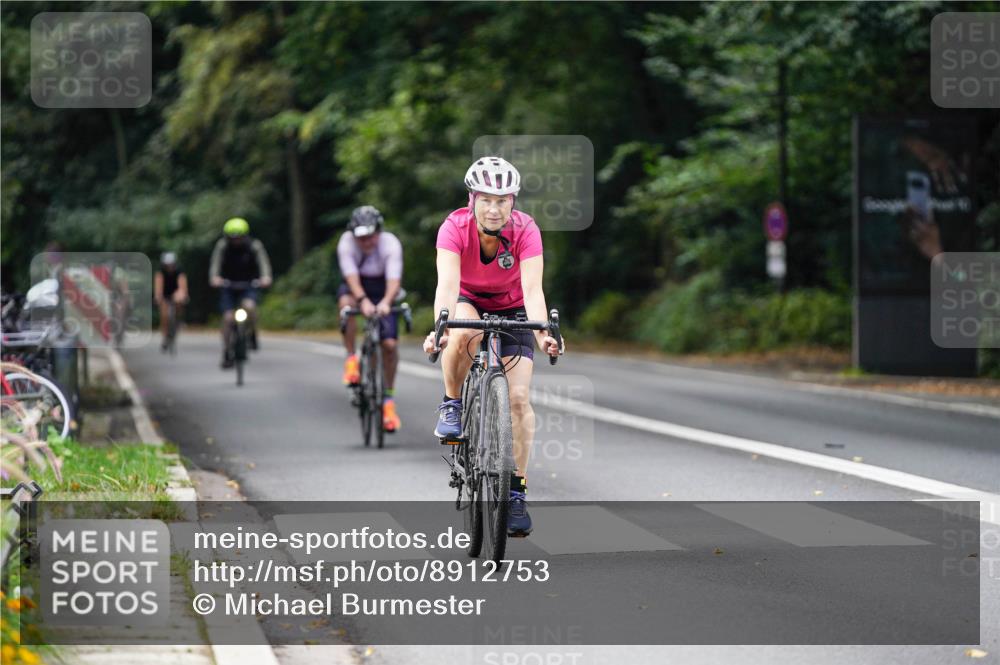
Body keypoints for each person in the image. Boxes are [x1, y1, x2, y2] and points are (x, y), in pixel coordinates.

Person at [422, 156, 563, 537]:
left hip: (514, 308)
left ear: (513, 201)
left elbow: (533, 290)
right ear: (472, 199)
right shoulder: (454, 228)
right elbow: (447, 286)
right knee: (464, 330)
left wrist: (543, 335)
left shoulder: (526, 229)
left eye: (502, 200)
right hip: (468, 300)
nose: (494, 208)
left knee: (518, 400)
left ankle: (515, 492)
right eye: (486, 199)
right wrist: (441, 328)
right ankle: (452, 403)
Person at [337, 205, 404, 433]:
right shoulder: (346, 243)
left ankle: (388, 401)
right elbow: (350, 276)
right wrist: (362, 300)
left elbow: (394, 279)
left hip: (384, 288)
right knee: (346, 306)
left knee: (389, 345)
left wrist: (385, 302)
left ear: (379, 231)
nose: (366, 242)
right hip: (357, 287)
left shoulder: (390, 243)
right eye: (361, 237)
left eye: (371, 236)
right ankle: (351, 359)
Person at [209, 217, 272, 368]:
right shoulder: (222, 246)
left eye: (239, 237)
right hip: (228, 285)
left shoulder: (254, 246)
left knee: (249, 306)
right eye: (232, 238)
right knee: (228, 318)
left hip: (248, 284)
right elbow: (215, 265)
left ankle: (252, 333)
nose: (236, 241)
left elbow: (263, 263)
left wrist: (266, 277)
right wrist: (214, 278)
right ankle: (227, 351)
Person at [153, 252, 189, 350]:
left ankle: (178, 319)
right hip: (165, 294)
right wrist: (158, 297)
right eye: (167, 265)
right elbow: (158, 286)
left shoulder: (179, 271)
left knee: (179, 300)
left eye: (171, 264)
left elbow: (182, 285)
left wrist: (183, 295)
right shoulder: (160, 272)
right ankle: (165, 337)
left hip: (175, 293)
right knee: (164, 315)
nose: (170, 267)